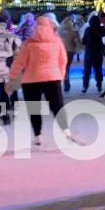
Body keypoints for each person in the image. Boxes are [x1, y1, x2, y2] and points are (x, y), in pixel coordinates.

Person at [7, 15, 70, 146]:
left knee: (34, 108)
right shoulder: (57, 41)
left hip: (31, 80)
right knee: (57, 106)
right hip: (53, 78)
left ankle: (38, 135)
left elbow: (19, 62)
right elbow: (63, 60)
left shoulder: (29, 43)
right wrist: (61, 75)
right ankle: (66, 130)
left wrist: (12, 77)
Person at [81, 14, 105, 93]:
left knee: (87, 70)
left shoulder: (88, 29)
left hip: (89, 51)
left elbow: (84, 41)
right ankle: (99, 86)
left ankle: (85, 86)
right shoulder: (102, 29)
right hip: (98, 51)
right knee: (98, 69)